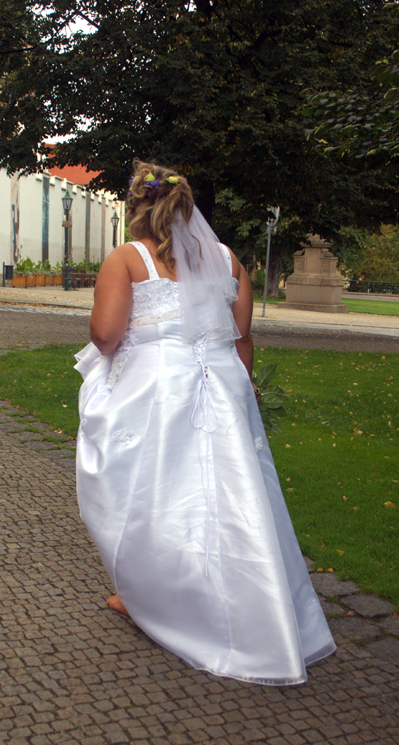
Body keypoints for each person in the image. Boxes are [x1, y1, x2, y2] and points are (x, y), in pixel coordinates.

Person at [75, 160, 335, 685]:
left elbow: (105, 335)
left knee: (151, 495)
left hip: (158, 390)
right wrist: (241, 391)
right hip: (222, 384)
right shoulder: (227, 258)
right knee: (233, 497)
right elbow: (242, 335)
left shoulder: (127, 258)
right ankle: (252, 609)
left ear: (137, 207)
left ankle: (152, 598)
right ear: (186, 208)